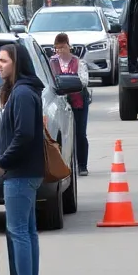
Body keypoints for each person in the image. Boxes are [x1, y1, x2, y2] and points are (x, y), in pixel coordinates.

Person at [0, 42, 45, 275]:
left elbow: (24, 135)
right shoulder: (22, 91)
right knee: (27, 231)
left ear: (16, 63)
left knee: (18, 232)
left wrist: (3, 162)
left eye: (3, 60)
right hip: (27, 171)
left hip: (20, 173)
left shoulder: (23, 94)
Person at [49, 33, 91, 177]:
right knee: (59, 135)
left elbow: (84, 81)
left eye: (63, 47)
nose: (61, 50)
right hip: (59, 102)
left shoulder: (79, 63)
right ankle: (61, 166)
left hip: (78, 101)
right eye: (58, 48)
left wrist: (69, 82)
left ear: (69, 47)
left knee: (80, 133)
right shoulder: (50, 62)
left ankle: (82, 165)